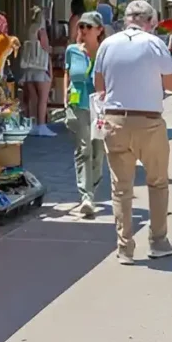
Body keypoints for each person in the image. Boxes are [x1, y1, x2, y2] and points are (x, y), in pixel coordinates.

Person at [94, 0, 172, 265]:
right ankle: (158, 240)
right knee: (157, 182)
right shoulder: (153, 43)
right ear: (150, 21)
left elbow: (99, 84)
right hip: (149, 121)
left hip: (115, 120)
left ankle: (125, 247)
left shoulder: (107, 44)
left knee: (121, 188)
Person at [64, 11, 105, 218]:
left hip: (99, 107)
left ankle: (92, 186)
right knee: (84, 150)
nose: (84, 30)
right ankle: (86, 196)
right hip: (78, 104)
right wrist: (65, 100)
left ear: (99, 30)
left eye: (89, 27)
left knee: (99, 153)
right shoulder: (72, 50)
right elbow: (67, 74)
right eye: (81, 26)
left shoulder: (105, 52)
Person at [20, 5, 55, 137]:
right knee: (43, 99)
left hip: (29, 68)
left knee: (32, 98)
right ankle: (42, 125)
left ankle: (32, 124)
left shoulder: (29, 29)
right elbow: (46, 48)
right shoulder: (41, 30)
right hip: (41, 67)